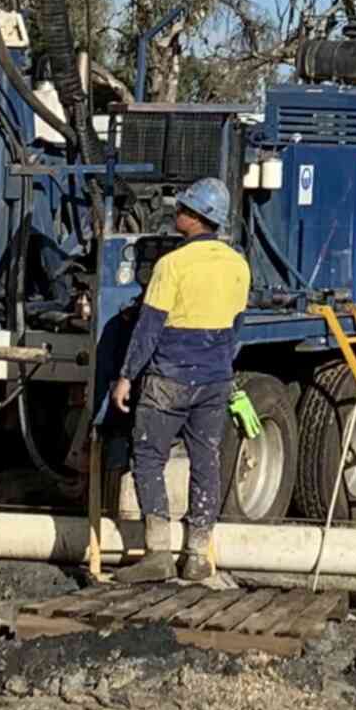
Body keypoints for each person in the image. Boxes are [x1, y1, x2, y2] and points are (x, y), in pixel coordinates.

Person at [116, 176, 250, 587]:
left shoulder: (171, 265)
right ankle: (196, 556)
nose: (176, 213)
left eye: (182, 209)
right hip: (215, 378)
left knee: (148, 457)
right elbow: (236, 327)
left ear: (195, 217)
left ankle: (157, 553)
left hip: (170, 378)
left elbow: (149, 329)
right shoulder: (238, 265)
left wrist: (125, 376)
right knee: (206, 460)